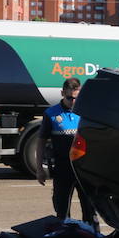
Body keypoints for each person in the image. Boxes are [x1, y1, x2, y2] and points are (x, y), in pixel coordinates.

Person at [36, 77, 97, 228]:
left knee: (90, 210)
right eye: (69, 98)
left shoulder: (88, 112)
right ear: (62, 93)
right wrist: (39, 169)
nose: (73, 102)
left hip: (85, 169)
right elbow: (41, 141)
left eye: (77, 98)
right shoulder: (51, 114)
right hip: (62, 168)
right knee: (62, 210)